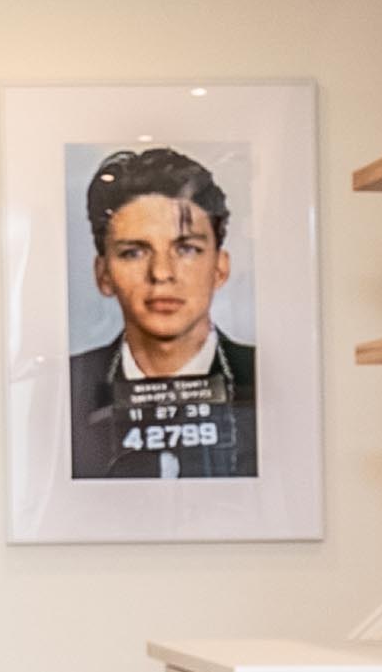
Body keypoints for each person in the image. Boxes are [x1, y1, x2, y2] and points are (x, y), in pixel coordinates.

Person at [66, 144, 260, 480]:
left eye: (186, 249)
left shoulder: (264, 375)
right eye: (134, 252)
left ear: (220, 268)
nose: (161, 273)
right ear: (103, 274)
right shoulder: (67, 386)